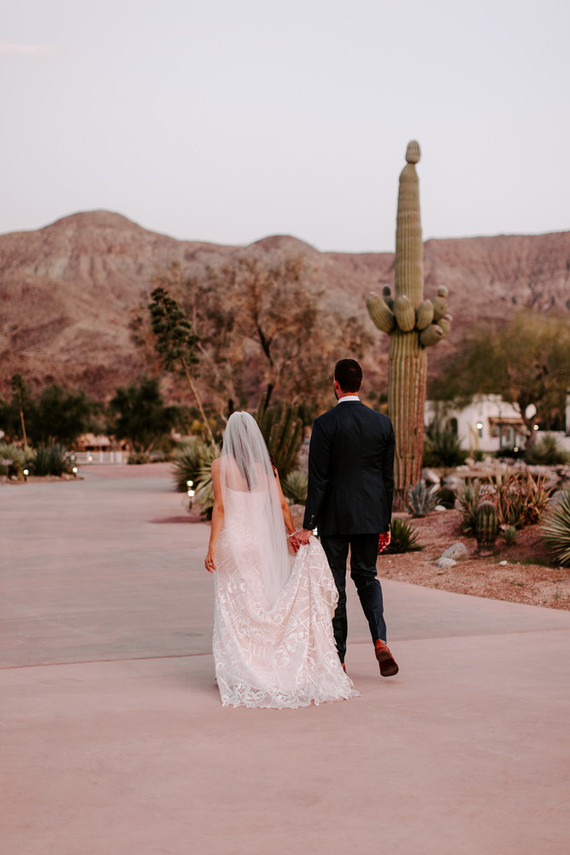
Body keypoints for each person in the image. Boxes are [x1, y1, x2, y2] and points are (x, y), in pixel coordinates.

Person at [204, 411, 358, 709]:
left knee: (234, 605)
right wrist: (292, 534)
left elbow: (220, 508)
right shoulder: (266, 467)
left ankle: (239, 667)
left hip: (233, 543)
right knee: (262, 600)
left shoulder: (219, 466)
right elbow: (283, 505)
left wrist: (211, 547)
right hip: (261, 542)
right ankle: (264, 660)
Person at [292, 359, 398, 677]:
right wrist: (385, 523)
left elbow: (318, 479)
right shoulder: (382, 423)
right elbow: (387, 479)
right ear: (360, 384)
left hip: (335, 516)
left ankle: (338, 658)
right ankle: (380, 639)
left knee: (336, 583)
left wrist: (309, 525)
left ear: (335, 384)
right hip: (370, 515)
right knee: (367, 577)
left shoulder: (325, 423)